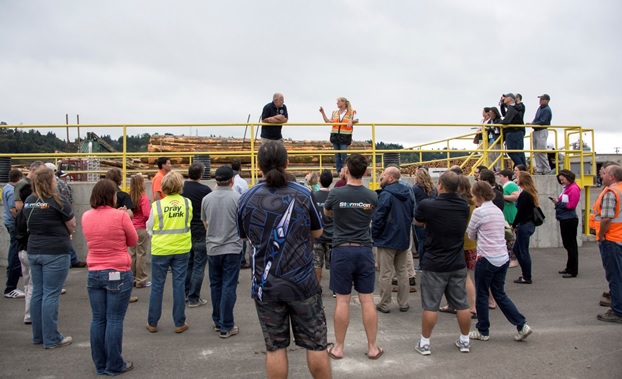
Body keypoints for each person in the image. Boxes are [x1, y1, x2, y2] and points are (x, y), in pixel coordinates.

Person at [237, 141, 331, 378]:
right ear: (287, 163)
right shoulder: (303, 194)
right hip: (303, 284)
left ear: (258, 166)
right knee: (316, 345)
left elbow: (245, 236)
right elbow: (318, 233)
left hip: (266, 285)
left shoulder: (247, 198)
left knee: (275, 348)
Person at [324, 154, 383, 360]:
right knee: (367, 300)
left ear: (346, 170)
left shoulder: (336, 194)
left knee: (342, 301)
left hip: (342, 250)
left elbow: (327, 213)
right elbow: (372, 215)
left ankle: (339, 348)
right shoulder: (372, 196)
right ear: (365, 172)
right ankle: (372, 347)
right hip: (364, 250)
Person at [82, 179, 138, 375]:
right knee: (114, 319)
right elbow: (133, 240)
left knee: (98, 319)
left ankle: (100, 363)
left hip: (94, 272)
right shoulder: (120, 216)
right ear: (111, 196)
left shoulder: (86, 216)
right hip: (117, 271)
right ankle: (114, 364)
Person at [467, 181, 533, 342]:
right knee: (499, 294)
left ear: (480, 195)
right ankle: (521, 324)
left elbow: (471, 234)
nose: (473, 198)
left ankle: (483, 330)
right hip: (502, 257)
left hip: (486, 257)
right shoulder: (497, 210)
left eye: (474, 195)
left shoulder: (479, 212)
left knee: (482, 294)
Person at [414, 171, 471, 355]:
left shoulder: (428, 205)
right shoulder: (463, 204)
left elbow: (417, 221)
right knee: (462, 304)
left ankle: (425, 343)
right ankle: (464, 341)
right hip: (457, 261)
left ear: (440, 185)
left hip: (434, 262)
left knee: (431, 305)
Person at [23, 166, 76, 349]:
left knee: (38, 292)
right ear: (49, 181)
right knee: (51, 294)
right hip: (55, 251)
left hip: (34, 250)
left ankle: (38, 335)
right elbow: (71, 225)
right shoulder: (57, 201)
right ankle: (52, 338)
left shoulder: (29, 201)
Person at [146, 171, 192, 334]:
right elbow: (188, 222)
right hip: (181, 248)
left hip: (161, 249)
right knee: (179, 285)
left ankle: (152, 322)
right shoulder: (187, 203)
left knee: (157, 286)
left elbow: (149, 227)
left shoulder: (157, 205)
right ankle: (179, 322)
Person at [201, 166, 243, 338]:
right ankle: (227, 324)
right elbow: (242, 224)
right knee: (228, 285)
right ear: (232, 180)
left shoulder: (207, 199)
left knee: (215, 284)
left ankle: (218, 320)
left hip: (213, 247)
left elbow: (206, 224)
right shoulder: (238, 198)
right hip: (232, 247)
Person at [373, 166, 414, 314]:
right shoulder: (408, 193)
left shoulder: (386, 195)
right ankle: (404, 303)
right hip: (403, 237)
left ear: (390, 178)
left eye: (383, 175)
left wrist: (375, 235)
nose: (381, 177)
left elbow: (378, 218)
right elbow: (411, 213)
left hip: (387, 238)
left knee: (386, 273)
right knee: (402, 271)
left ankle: (384, 304)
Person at [592, 165, 622, 323]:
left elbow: (606, 218)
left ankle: (618, 311)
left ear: (612, 177)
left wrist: (601, 235)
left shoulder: (612, 192)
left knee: (615, 276)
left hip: (611, 239)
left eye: (604, 173)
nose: (601, 176)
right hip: (619, 238)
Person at [182, 162, 212, 308]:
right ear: (201, 175)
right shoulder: (205, 190)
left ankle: (185, 294)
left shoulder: (181, 188)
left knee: (188, 264)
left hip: (185, 231)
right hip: (200, 230)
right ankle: (194, 298)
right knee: (199, 266)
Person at [551, 170, 580, 278]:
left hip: (569, 219)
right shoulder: (568, 188)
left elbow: (571, 205)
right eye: (560, 180)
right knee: (568, 244)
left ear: (569, 178)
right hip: (565, 218)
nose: (561, 181)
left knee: (570, 245)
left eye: (563, 179)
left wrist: (558, 203)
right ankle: (569, 267)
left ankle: (573, 270)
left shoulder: (573, 188)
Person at [512, 171, 539, 284]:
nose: (516, 179)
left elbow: (521, 212)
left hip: (524, 224)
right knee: (517, 249)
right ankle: (525, 274)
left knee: (523, 251)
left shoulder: (524, 194)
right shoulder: (529, 193)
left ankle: (526, 276)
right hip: (527, 224)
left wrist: (514, 224)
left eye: (517, 177)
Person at [319, 97, 359, 174]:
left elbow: (357, 120)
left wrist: (351, 120)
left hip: (344, 136)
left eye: (339, 101)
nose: (337, 103)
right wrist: (323, 113)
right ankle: (339, 172)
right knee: (337, 155)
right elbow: (327, 121)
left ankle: (345, 171)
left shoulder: (352, 112)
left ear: (344, 103)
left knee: (344, 154)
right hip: (335, 136)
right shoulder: (334, 113)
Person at [3, 168, 24, 299]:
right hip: (14, 224)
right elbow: (13, 209)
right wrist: (22, 221)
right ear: (20, 179)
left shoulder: (6, 188)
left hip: (8, 222)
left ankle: (11, 271)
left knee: (14, 249)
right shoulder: (12, 191)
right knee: (15, 251)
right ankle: (10, 287)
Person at [311, 170, 334, 287]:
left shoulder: (313, 196)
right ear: (331, 181)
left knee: (316, 264)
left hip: (317, 235)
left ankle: (316, 288)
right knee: (334, 264)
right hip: (332, 235)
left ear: (319, 181)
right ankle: (336, 289)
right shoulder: (334, 196)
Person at [411, 167, 437, 270]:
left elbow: (412, 202)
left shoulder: (415, 188)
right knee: (431, 241)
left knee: (421, 241)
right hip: (433, 217)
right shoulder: (433, 189)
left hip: (420, 217)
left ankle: (422, 264)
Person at [128, 174, 151, 288]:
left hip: (131, 227)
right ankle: (141, 279)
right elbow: (147, 214)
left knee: (132, 254)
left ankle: (131, 278)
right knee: (141, 254)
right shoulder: (143, 197)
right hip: (141, 227)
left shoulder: (129, 196)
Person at [231, 161, 251, 269]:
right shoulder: (242, 182)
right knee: (241, 234)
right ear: (240, 168)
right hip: (239, 209)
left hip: (228, 209)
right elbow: (245, 196)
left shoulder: (230, 180)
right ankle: (242, 260)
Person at [498, 170, 520, 268]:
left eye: (501, 176)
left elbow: (516, 196)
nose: (499, 178)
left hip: (510, 214)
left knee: (510, 238)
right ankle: (509, 258)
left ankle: (513, 259)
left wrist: (502, 197)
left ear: (506, 177)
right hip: (506, 214)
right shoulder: (505, 186)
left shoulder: (510, 185)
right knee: (507, 239)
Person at [499, 93, 526, 168]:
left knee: (511, 151)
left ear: (510, 99)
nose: (504, 99)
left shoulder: (512, 108)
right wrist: (502, 104)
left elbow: (506, 120)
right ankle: (523, 168)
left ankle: (521, 168)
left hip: (513, 132)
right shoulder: (514, 107)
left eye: (506, 97)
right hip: (518, 131)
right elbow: (505, 114)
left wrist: (499, 123)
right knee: (519, 152)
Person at [528, 94, 553, 174]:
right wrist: (532, 124)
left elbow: (543, 121)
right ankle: (540, 168)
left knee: (541, 151)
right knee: (536, 151)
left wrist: (533, 124)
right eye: (540, 99)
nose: (540, 100)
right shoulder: (540, 108)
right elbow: (536, 119)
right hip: (536, 130)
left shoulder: (546, 110)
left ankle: (546, 168)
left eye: (542, 99)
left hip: (542, 130)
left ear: (547, 100)